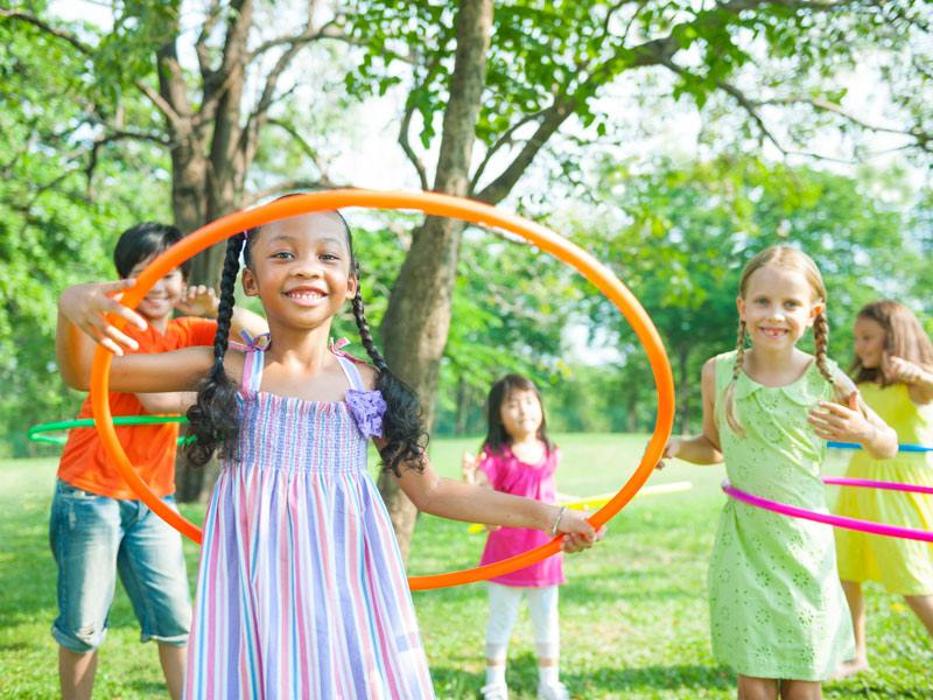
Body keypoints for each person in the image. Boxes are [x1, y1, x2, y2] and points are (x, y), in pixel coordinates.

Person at [62, 210, 598, 699]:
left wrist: (549, 516)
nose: (306, 268)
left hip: (346, 592)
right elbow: (84, 374)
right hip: (255, 590)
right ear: (249, 281)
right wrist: (70, 305)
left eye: (327, 255)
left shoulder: (367, 386)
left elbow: (432, 491)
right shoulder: (223, 367)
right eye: (282, 254)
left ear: (351, 282)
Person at [659, 245, 897, 699]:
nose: (775, 315)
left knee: (804, 676)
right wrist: (676, 447)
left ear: (813, 312)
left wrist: (864, 430)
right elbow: (714, 448)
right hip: (746, 542)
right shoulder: (719, 373)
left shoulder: (825, 378)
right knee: (754, 678)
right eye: (763, 302)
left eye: (790, 304)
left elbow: (886, 447)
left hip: (805, 545)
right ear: (743, 308)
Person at [53, 222, 266, 700]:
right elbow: (157, 401)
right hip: (90, 492)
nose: (159, 284)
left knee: (177, 622)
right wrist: (216, 394)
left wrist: (220, 310)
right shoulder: (114, 332)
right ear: (121, 282)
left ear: (184, 279)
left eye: (170, 272)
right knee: (84, 625)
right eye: (143, 272)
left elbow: (264, 338)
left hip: (153, 497)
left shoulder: (191, 330)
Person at [832, 300, 933, 677]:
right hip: (861, 481)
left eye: (868, 337)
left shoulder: (915, 385)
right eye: (858, 338)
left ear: (895, 338)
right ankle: (856, 654)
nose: (860, 346)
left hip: (899, 488)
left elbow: (930, 390)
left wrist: (916, 373)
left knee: (911, 578)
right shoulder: (860, 385)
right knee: (847, 570)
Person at [461, 373, 572, 700]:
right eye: (512, 404)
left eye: (528, 401)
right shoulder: (496, 457)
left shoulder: (551, 452)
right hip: (507, 557)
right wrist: (470, 477)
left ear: (540, 406)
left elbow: (547, 492)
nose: (523, 410)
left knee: (547, 620)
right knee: (501, 620)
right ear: (499, 415)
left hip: (545, 556)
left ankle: (549, 682)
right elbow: (481, 496)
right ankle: (495, 684)